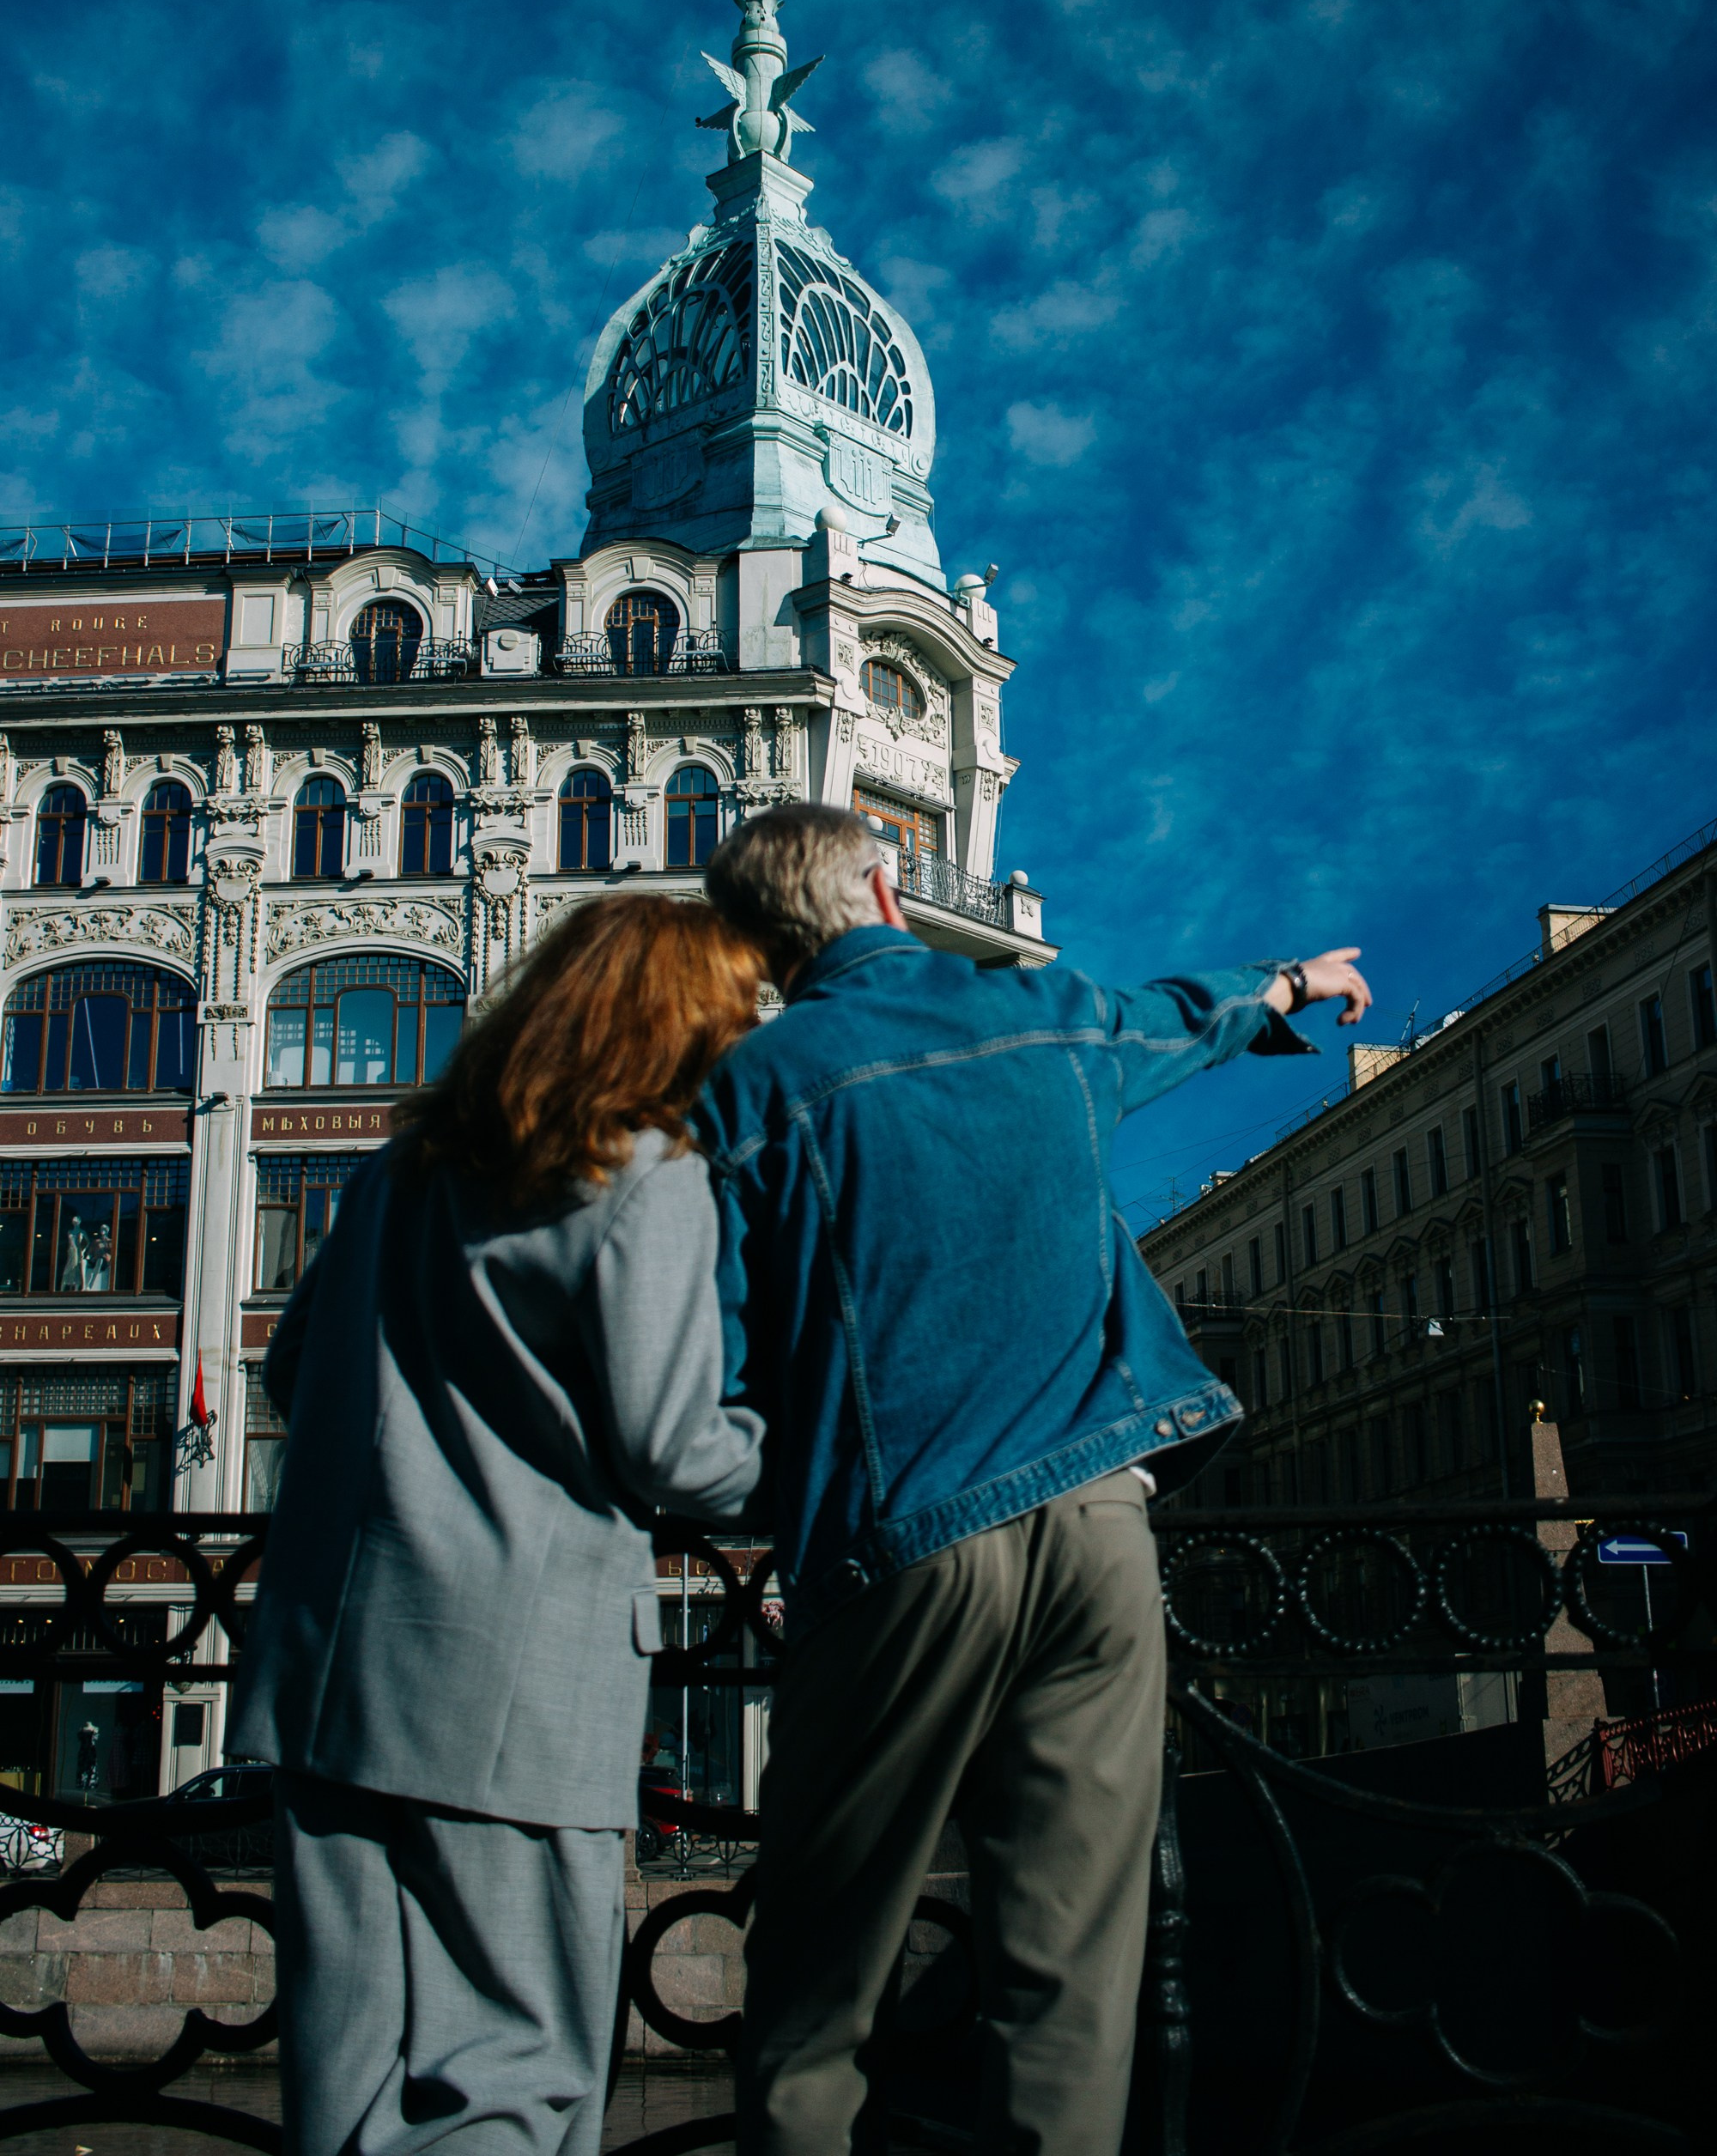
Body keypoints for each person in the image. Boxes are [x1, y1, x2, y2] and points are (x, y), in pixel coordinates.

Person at [697, 805, 1370, 2156]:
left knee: (817, 1990)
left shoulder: (754, 1088)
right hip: (1098, 1521)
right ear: (889, 892)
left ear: (762, 947)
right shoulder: (1044, 1013)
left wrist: (792, 1501)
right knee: (1067, 1984)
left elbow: (711, 1367)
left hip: (900, 1544)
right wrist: (1290, 983)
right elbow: (1175, 1020)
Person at [229, 892, 767, 2156]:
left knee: (347, 2075)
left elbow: (292, 1370)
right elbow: (677, 1447)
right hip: (513, 1684)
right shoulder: (643, 1170)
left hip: (326, 1675)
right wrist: (825, 1458)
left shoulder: (398, 1169)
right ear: (686, 1026)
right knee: (515, 2069)